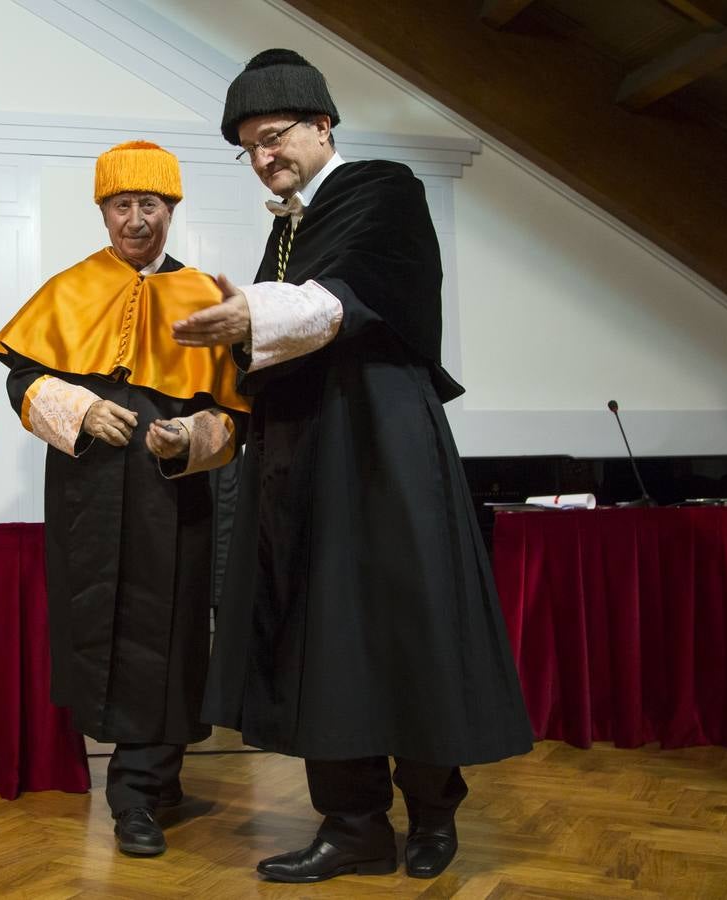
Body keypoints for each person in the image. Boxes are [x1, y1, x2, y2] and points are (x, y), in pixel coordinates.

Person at [173, 50, 533, 883]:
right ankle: (354, 824)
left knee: (408, 617)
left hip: (381, 442)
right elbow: (268, 341)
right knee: (317, 631)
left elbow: (346, 296)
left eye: (275, 136)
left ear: (322, 125)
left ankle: (435, 811)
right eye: (250, 146)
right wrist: (241, 328)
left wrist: (252, 311)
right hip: (302, 454)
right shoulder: (286, 229)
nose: (265, 156)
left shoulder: (381, 187)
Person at [0, 141, 249, 858]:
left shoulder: (203, 296)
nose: (137, 220)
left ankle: (143, 788)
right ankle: (143, 781)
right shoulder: (69, 288)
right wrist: (75, 407)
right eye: (122, 205)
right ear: (103, 211)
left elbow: (236, 420)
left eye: (151, 206)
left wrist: (190, 437)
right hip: (91, 494)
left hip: (175, 497)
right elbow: (21, 384)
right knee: (103, 626)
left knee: (170, 632)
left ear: (172, 211)